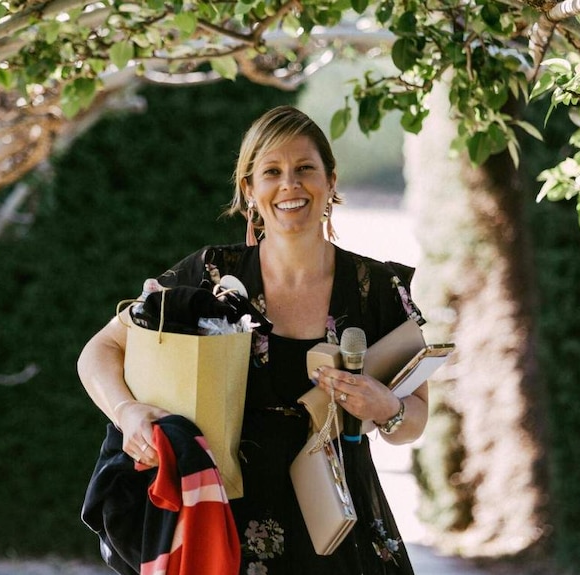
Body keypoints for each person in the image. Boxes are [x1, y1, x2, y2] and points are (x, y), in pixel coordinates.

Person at [77, 105, 430, 575]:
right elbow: (99, 350)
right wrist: (127, 412)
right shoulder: (211, 274)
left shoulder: (377, 287)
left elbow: (416, 418)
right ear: (249, 189)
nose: (290, 185)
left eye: (305, 168)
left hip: (340, 522)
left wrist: (386, 409)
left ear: (330, 181)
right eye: (272, 172)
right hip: (226, 520)